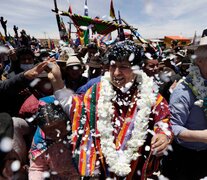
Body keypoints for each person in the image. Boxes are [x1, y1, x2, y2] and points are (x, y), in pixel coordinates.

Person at [48, 40, 172, 179]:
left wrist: (163, 135)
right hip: (103, 167)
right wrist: (57, 81)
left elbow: (163, 119)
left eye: (123, 67)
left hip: (135, 168)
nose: (117, 73)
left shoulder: (150, 94)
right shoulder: (96, 92)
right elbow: (76, 107)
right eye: (113, 66)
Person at [161, 35, 207, 180]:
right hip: (185, 159)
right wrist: (203, 136)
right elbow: (172, 127)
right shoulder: (183, 91)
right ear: (200, 61)